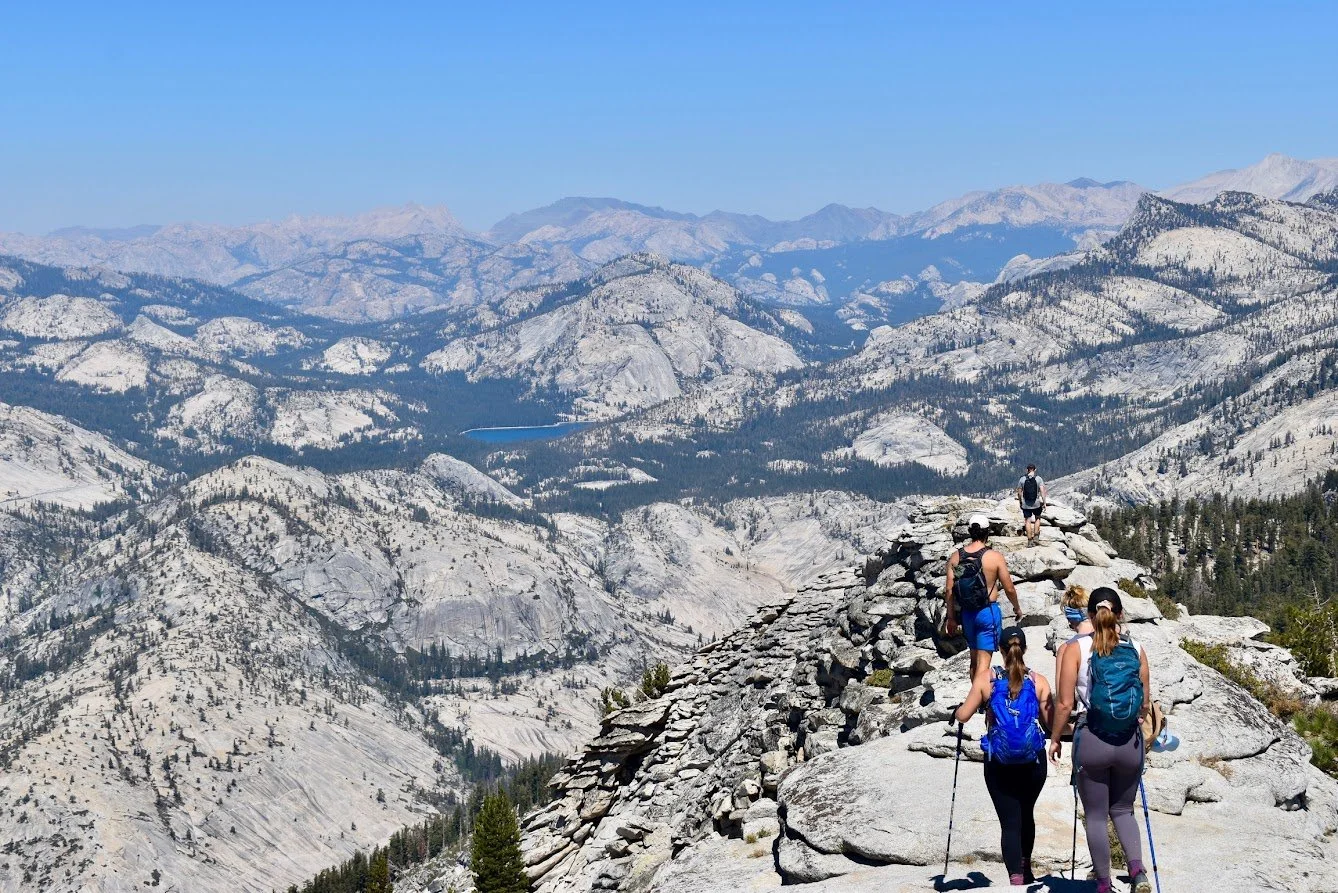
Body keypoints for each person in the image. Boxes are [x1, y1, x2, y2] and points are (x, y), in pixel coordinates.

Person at [1048, 588, 1153, 893]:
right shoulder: (1136, 647)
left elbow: (1065, 704)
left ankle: (1104, 885)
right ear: (1120, 614)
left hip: (1091, 736)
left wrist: (1056, 738)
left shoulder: (1075, 648)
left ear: (1089, 615)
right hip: (1129, 741)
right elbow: (1145, 702)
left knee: (1095, 814)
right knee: (1123, 810)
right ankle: (1137, 872)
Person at [954, 626, 1053, 886]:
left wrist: (957, 712)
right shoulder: (1038, 680)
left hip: (1000, 762)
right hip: (1033, 762)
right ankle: (1027, 869)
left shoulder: (986, 678)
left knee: (1010, 822)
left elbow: (963, 715)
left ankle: (1016, 878)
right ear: (1025, 649)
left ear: (999, 649)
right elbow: (1050, 723)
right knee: (1026, 813)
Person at [945, 514, 1022, 687]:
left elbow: (949, 590)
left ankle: (975, 696)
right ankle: (981, 701)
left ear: (970, 532)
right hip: (988, 612)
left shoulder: (956, 557)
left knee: (974, 660)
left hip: (967, 614)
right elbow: (1009, 588)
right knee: (983, 663)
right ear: (987, 532)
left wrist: (951, 617)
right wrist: (1017, 608)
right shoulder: (994, 557)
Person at [1054, 584, 1093, 739]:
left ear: (1070, 618)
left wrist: (1056, 737)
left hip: (1088, 724)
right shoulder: (1115, 641)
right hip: (1123, 720)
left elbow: (1063, 701)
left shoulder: (1066, 649)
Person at [1016, 464, 1047, 545]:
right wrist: (1044, 502)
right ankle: (1036, 536)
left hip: (1026, 504)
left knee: (1027, 521)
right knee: (1037, 518)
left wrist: (1020, 501)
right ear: (1035, 469)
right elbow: (1042, 491)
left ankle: (1030, 540)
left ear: (1027, 470)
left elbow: (1019, 493)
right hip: (1036, 503)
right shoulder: (1038, 479)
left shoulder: (1022, 479)